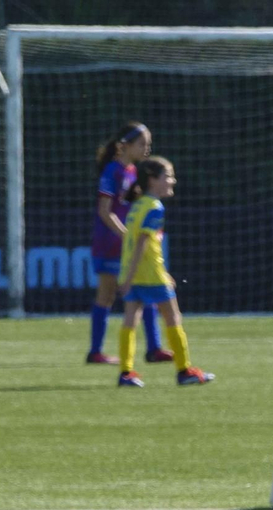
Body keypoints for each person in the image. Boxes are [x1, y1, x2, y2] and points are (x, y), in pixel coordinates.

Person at [115, 156, 213, 387]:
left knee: (130, 321)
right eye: (167, 176)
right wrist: (143, 275)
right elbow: (141, 243)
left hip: (135, 273)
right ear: (152, 180)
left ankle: (125, 373)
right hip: (149, 275)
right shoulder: (154, 207)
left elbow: (134, 243)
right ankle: (184, 370)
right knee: (173, 318)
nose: (173, 180)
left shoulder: (137, 205)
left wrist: (128, 276)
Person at [86, 123, 173, 367]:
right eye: (142, 144)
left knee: (145, 291)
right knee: (106, 295)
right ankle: (95, 351)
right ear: (125, 146)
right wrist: (127, 238)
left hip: (129, 245)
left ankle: (154, 348)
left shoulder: (136, 173)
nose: (147, 149)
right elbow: (104, 211)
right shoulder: (112, 172)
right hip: (111, 244)